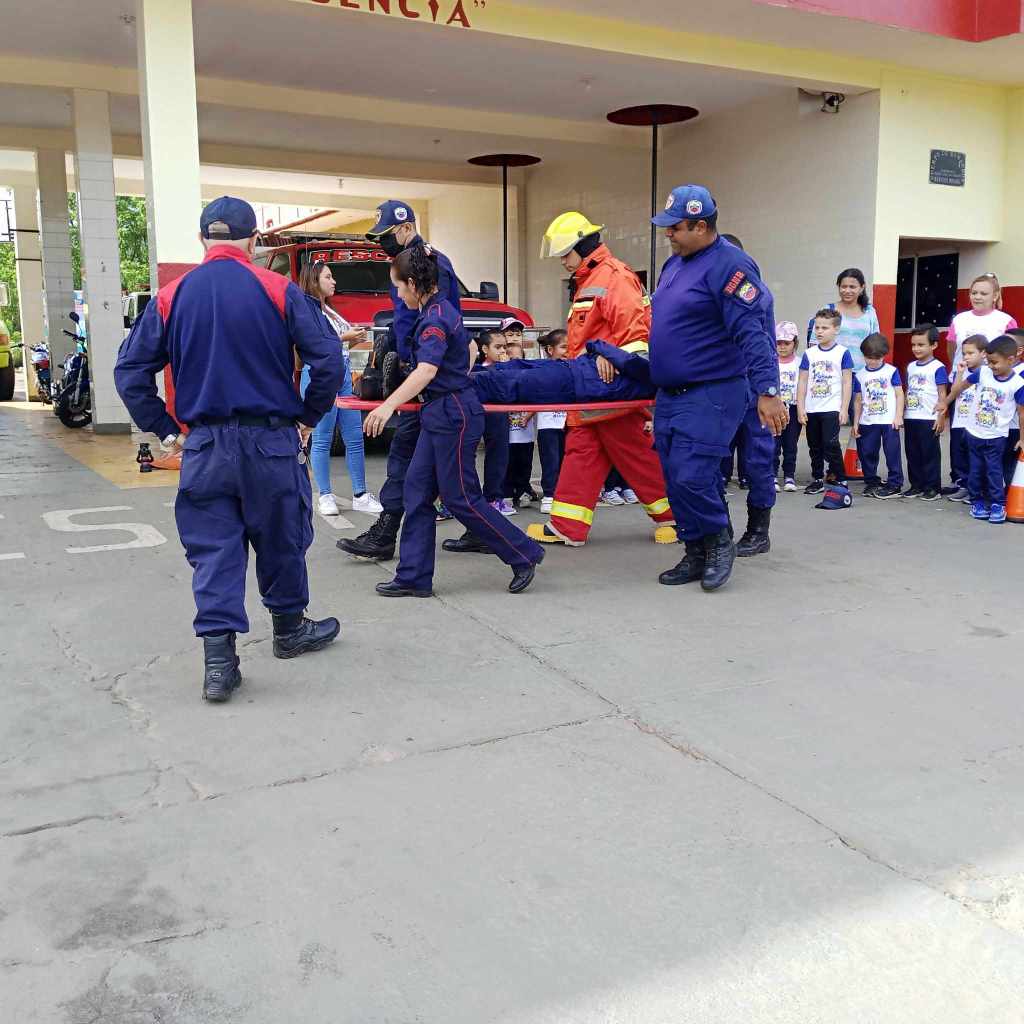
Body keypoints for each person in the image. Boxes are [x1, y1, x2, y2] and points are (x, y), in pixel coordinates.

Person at [113, 196, 344, 703]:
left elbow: (129, 371)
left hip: (205, 445)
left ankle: (219, 665)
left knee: (214, 548)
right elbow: (329, 360)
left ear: (202, 239)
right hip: (271, 440)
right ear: (254, 241)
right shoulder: (279, 289)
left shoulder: (172, 295)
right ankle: (289, 630)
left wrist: (165, 430)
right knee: (282, 535)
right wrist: (308, 417)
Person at [365, 246, 544, 595]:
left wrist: (387, 406)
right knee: (417, 492)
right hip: (441, 412)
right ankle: (413, 577)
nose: (398, 295)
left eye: (398, 287)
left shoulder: (434, 319)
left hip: (452, 414)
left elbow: (426, 371)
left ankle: (524, 553)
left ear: (413, 284)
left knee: (460, 496)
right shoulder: (441, 309)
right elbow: (470, 350)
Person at [647, 185, 786, 591]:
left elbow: (753, 332)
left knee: (694, 473)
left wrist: (767, 390)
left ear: (701, 226)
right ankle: (695, 550)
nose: (668, 234)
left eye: (675, 227)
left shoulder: (731, 266)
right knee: (674, 477)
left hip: (712, 390)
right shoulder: (674, 265)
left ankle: (718, 543)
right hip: (671, 393)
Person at [527, 211, 674, 547]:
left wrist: (613, 358)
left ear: (582, 246)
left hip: (610, 388)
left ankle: (678, 516)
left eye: (565, 253)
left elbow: (636, 333)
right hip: (592, 388)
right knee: (582, 451)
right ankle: (567, 526)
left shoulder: (614, 277)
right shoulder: (591, 278)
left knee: (637, 455)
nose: (562, 261)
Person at [337, 200, 461, 561]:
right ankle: (390, 531)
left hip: (428, 378)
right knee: (423, 463)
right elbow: (406, 319)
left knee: (413, 459)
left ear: (406, 228)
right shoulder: (404, 264)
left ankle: (387, 533)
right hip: (417, 374)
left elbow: (437, 320)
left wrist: (412, 371)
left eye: (387, 235)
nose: (382, 243)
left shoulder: (429, 264)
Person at [297, 259, 382, 517]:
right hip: (319, 374)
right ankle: (325, 495)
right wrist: (345, 337)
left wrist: (353, 340)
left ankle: (360, 494)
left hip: (342, 372)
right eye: (328, 277)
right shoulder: (307, 311)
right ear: (313, 281)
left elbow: (337, 346)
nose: (334, 281)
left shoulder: (331, 311)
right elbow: (311, 345)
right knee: (322, 437)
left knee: (354, 435)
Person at [938, 335, 1024, 524]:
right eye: (989, 361)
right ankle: (977, 502)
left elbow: (1021, 413)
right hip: (973, 433)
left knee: (994, 472)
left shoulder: (1017, 384)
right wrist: (945, 402)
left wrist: (1022, 438)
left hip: (997, 437)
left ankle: (997, 504)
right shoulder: (983, 372)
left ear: (1010, 360)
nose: (991, 366)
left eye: (995, 363)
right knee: (975, 471)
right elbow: (961, 387)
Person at [442, 329, 510, 555]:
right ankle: (475, 524)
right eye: (498, 347)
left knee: (496, 458)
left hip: (487, 415)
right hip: (466, 414)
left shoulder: (507, 369)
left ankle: (489, 514)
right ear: (483, 349)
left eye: (505, 347)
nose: (503, 351)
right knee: (461, 469)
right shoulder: (473, 370)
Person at [797, 308, 852, 494]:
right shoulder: (809, 354)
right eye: (817, 327)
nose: (819, 331)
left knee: (831, 443)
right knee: (814, 446)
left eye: (824, 328)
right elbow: (802, 381)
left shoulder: (843, 353)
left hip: (832, 407)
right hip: (812, 408)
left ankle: (840, 477)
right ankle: (818, 478)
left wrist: (844, 408)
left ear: (836, 329)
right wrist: (801, 408)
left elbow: (847, 382)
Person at [852, 333, 904, 498]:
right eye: (869, 358)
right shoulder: (860, 375)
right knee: (867, 452)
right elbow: (858, 400)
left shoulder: (891, 371)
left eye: (877, 358)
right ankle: (871, 481)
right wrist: (856, 422)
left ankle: (895, 483)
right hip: (868, 420)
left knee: (892, 452)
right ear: (863, 355)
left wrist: (898, 416)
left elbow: (899, 394)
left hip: (888, 420)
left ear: (884, 355)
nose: (873, 361)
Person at [903, 324, 949, 500]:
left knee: (929, 454)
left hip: (928, 418)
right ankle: (916, 485)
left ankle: (932, 488)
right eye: (913, 345)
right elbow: (908, 390)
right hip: (911, 416)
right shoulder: (911, 367)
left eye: (921, 345)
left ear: (934, 345)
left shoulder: (938, 367)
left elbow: (942, 394)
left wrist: (941, 416)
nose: (916, 348)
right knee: (912, 452)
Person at [807, 268, 880, 376]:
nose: (847, 291)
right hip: (832, 374)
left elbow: (876, 344)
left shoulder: (869, 311)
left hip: (861, 374)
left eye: (852, 287)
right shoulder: (829, 310)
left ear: (862, 288)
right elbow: (814, 343)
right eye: (844, 286)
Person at [946, 274, 1017, 374]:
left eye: (983, 294)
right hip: (960, 378)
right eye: (974, 293)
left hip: (992, 379)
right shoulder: (958, 319)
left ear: (995, 296)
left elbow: (1012, 353)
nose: (977, 297)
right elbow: (951, 350)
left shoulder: (1006, 321)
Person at [946, 334, 987, 503]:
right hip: (959, 421)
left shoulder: (986, 373)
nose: (966, 357)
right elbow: (955, 392)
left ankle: (976, 489)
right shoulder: (960, 371)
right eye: (964, 353)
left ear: (983, 353)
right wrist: (959, 373)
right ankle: (963, 486)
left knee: (975, 458)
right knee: (959, 456)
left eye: (971, 353)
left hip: (975, 424)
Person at [535, 329, 568, 514]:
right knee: (550, 461)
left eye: (570, 347)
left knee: (567, 461)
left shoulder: (572, 367)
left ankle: (564, 495)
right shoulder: (542, 368)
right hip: (548, 424)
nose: (567, 351)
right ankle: (549, 495)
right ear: (550, 349)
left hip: (568, 422)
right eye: (563, 347)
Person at [774, 321, 802, 492]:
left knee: (790, 445)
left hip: (793, 407)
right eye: (779, 343)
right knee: (774, 444)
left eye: (787, 343)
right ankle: (772, 476)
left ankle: (789, 476)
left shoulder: (800, 363)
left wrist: (802, 410)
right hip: (774, 408)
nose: (782, 347)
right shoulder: (770, 362)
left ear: (794, 343)